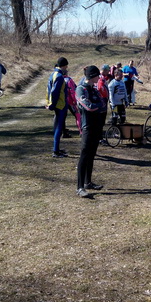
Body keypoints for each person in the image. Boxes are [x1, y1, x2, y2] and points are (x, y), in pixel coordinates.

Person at [76, 65, 108, 198]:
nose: (99, 77)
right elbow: (88, 107)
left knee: (92, 154)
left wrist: (97, 105)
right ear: (92, 76)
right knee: (84, 154)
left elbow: (103, 104)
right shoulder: (81, 89)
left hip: (97, 125)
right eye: (97, 75)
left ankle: (88, 182)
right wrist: (97, 105)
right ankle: (80, 187)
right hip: (87, 126)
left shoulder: (93, 89)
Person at [46, 57, 69, 158]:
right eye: (66, 66)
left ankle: (57, 148)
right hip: (60, 105)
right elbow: (54, 92)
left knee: (57, 127)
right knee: (59, 128)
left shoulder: (53, 74)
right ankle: (56, 151)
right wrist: (52, 105)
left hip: (57, 104)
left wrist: (49, 103)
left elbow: (49, 90)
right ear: (64, 65)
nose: (66, 68)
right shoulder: (59, 76)